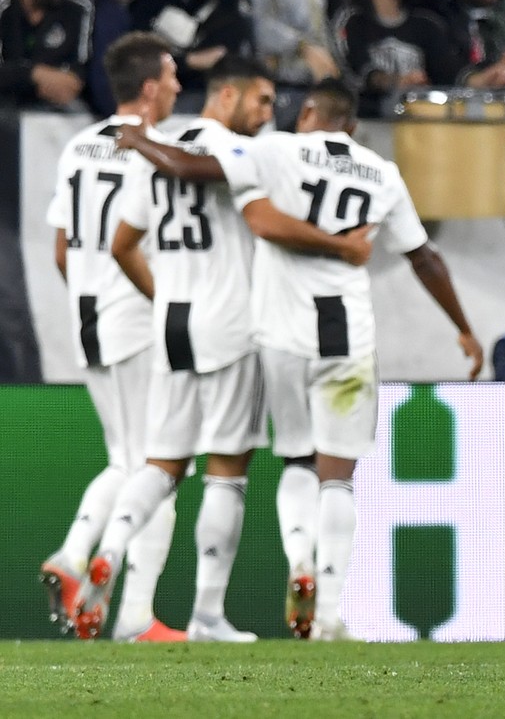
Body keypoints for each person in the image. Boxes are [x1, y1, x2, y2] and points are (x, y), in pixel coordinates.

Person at [117, 77, 485, 640]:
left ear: (308, 112)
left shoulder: (276, 149)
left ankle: (300, 565)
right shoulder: (380, 172)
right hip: (350, 340)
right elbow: (425, 257)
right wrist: (463, 328)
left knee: (295, 462)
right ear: (354, 126)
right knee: (337, 480)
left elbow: (196, 172)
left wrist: (139, 140)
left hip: (280, 337)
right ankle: (329, 613)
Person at [72, 55, 370, 642]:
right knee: (227, 473)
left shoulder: (159, 147)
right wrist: (341, 245)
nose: (269, 114)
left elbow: (123, 243)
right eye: (261, 100)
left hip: (172, 322)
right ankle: (207, 614)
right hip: (230, 320)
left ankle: (106, 552)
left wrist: (163, 297)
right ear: (227, 96)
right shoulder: (232, 151)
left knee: (161, 464)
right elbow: (262, 222)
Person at [39, 32, 182, 643]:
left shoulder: (78, 145)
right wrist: (168, 307)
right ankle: (134, 615)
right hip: (139, 315)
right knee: (161, 466)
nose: (178, 86)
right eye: (172, 76)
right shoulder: (162, 150)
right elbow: (153, 245)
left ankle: (74, 557)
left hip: (88, 315)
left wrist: (90, 295)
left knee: (126, 458)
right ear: (149, 89)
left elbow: (61, 249)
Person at [332, 0, 459, 113]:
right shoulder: (351, 21)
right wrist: (396, 82)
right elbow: (354, 71)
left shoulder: (428, 26)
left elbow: (450, 77)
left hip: (422, 124)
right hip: (366, 122)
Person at [0, 0, 92, 109]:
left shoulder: (76, 5)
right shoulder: (3, 2)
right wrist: (34, 74)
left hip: (52, 102)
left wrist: (70, 81)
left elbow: (78, 69)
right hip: (3, 101)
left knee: (80, 116)